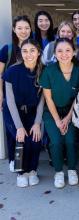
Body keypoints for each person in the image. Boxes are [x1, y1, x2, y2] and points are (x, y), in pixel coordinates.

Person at [39, 38, 79, 188]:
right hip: (51, 112)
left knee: (70, 141)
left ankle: (72, 169)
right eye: (59, 51)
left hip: (71, 111)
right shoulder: (49, 71)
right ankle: (59, 171)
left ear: (74, 52)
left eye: (68, 50)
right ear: (54, 53)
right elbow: (48, 98)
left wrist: (67, 118)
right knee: (56, 141)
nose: (64, 54)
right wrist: (58, 121)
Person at [2, 39, 44, 187]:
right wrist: (19, 126)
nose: (29, 54)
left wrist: (37, 123)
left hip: (33, 111)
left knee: (35, 140)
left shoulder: (43, 71)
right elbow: (10, 101)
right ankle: (21, 173)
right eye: (25, 51)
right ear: (20, 53)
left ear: (38, 52)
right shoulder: (12, 71)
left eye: (32, 50)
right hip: (13, 112)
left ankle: (32, 170)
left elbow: (42, 100)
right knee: (21, 140)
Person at [0, 15, 32, 172]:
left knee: (26, 129)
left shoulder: (34, 47)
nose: (23, 31)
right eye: (20, 28)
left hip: (29, 99)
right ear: (14, 29)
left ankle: (26, 162)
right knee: (12, 129)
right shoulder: (8, 49)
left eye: (26, 28)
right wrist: (0, 94)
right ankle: (13, 158)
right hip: (11, 98)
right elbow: (0, 74)